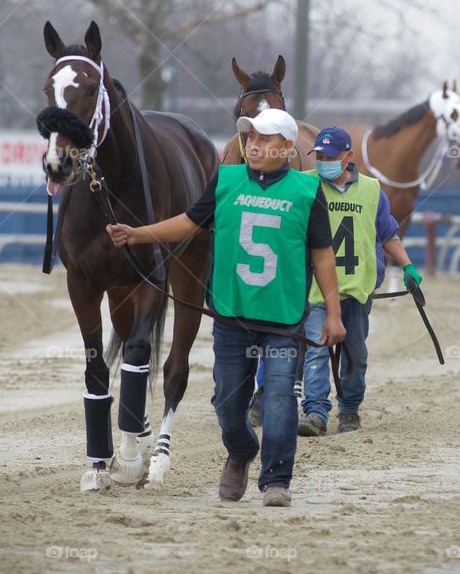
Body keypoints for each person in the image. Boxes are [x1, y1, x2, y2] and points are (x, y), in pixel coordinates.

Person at [106, 108, 345, 507]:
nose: (253, 145)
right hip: (231, 316)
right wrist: (137, 234)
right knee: (228, 407)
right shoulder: (226, 180)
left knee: (280, 397)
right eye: (249, 138)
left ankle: (276, 480)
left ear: (287, 148)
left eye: (265, 139)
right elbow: (187, 223)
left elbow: (322, 255)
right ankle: (240, 452)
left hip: (284, 318)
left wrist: (334, 314)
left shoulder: (307, 191)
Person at [296, 127, 423, 436]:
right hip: (315, 289)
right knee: (315, 349)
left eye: (330, 157)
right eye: (319, 156)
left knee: (355, 351)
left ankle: (350, 409)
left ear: (348, 156)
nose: (323, 162)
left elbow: (388, 234)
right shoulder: (304, 185)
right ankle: (315, 412)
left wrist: (407, 266)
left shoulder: (372, 191)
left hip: (358, 287)